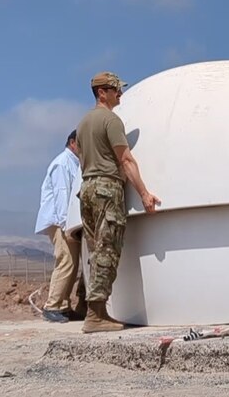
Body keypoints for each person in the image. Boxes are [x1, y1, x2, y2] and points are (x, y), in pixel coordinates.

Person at [76, 71, 162, 333]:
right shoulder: (110, 121)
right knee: (107, 250)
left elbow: (82, 159)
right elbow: (125, 160)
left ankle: (97, 311)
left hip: (87, 188)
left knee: (95, 251)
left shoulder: (83, 123)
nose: (120, 93)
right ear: (102, 92)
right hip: (106, 188)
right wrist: (145, 194)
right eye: (115, 89)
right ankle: (96, 315)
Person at [34, 129, 83, 323]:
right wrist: (66, 225)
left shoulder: (72, 163)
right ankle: (52, 306)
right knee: (66, 261)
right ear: (73, 142)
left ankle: (63, 306)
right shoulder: (62, 164)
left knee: (72, 263)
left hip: (65, 220)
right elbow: (63, 195)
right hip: (59, 221)